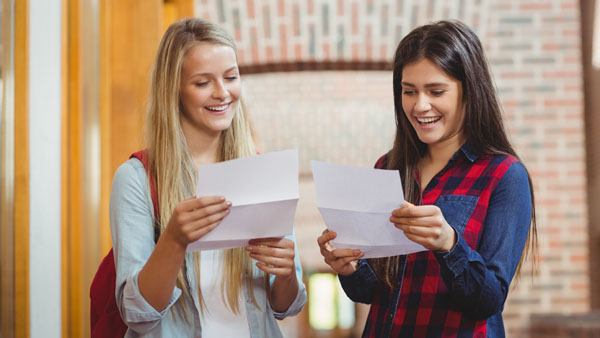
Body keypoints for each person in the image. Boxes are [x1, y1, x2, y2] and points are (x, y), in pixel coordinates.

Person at [317, 20, 536, 337]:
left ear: (469, 92)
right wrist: (350, 268)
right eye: (409, 92)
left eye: (436, 91)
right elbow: (374, 292)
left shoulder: (503, 175)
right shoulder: (388, 167)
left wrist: (449, 244)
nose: (420, 106)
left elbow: (488, 300)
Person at [110, 18, 306, 337]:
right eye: (203, 83)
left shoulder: (261, 173)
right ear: (174, 89)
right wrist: (173, 241)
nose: (222, 93)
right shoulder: (136, 179)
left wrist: (285, 273)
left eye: (231, 77)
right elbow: (138, 315)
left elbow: (286, 307)